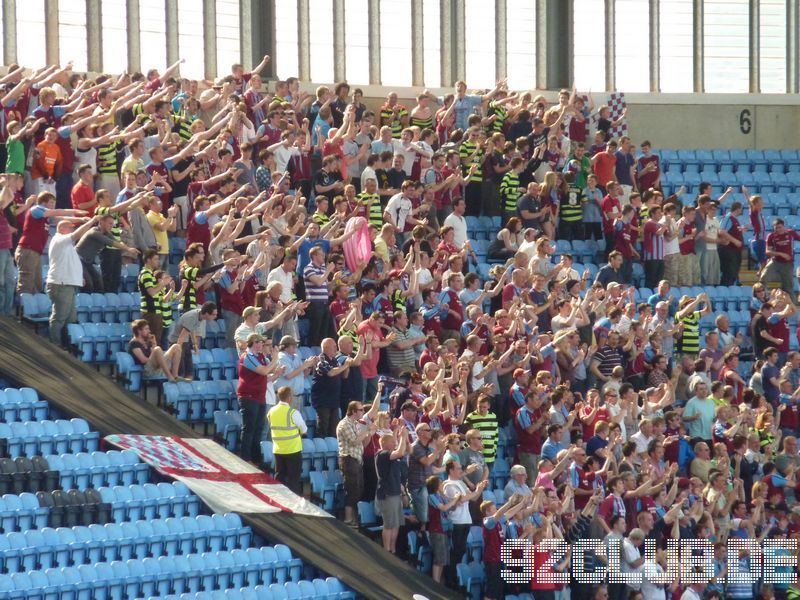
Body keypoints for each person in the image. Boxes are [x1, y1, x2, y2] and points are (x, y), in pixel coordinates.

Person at [46, 216, 98, 346]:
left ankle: (66, 345)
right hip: (61, 284)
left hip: (67, 284)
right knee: (59, 317)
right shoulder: (59, 239)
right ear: (62, 228)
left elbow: (68, 263)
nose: (72, 230)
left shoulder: (67, 245)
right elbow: (76, 235)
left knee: (70, 318)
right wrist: (92, 221)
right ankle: (55, 345)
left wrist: (78, 278)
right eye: (70, 227)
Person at [337, 400, 377, 527]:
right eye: (361, 410)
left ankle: (354, 518)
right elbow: (354, 441)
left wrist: (369, 435)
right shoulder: (344, 424)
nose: (363, 412)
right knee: (352, 489)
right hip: (348, 459)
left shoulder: (355, 424)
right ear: (353, 411)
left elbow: (362, 444)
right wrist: (367, 432)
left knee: (359, 488)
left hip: (357, 459)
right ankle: (348, 519)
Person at [236, 334, 272, 463]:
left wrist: (277, 370)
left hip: (260, 396)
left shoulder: (261, 357)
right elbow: (263, 371)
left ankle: (256, 457)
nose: (260, 344)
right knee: (249, 427)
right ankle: (245, 458)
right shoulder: (248, 357)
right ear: (251, 343)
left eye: (261, 342)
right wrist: (275, 360)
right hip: (249, 396)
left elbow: (267, 374)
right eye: (257, 342)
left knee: (258, 427)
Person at [267, 385, 307, 495]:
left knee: (279, 477)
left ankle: (280, 500)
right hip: (293, 450)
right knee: (293, 479)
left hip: (278, 449)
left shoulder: (271, 411)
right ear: (289, 398)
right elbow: (304, 429)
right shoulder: (292, 412)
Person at [375, 426, 409, 553]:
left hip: (395, 493)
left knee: (396, 524)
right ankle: (386, 550)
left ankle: (393, 549)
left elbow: (403, 451)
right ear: (384, 443)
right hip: (387, 493)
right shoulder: (382, 454)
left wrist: (399, 436)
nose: (395, 443)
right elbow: (399, 452)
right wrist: (403, 436)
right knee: (389, 524)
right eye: (392, 442)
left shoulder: (391, 456)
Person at [128, 319, 185, 383]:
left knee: (176, 347)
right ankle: (170, 376)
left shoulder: (147, 341)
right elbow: (143, 360)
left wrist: (154, 343)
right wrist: (159, 358)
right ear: (139, 331)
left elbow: (155, 354)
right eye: (146, 329)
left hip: (156, 366)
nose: (149, 331)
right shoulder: (134, 343)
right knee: (157, 349)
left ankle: (175, 376)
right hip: (147, 369)